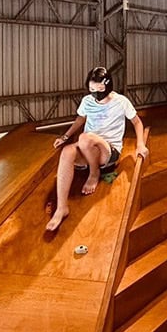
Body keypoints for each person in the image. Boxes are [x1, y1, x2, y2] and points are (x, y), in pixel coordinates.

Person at [46, 66, 148, 232]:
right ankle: (61, 207)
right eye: (92, 89)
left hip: (108, 150)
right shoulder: (87, 101)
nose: (96, 93)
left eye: (99, 89)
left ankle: (94, 174)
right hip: (87, 148)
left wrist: (140, 144)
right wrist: (65, 136)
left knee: (85, 138)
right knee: (67, 152)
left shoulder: (121, 101)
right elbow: (80, 119)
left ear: (107, 86)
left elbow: (137, 122)